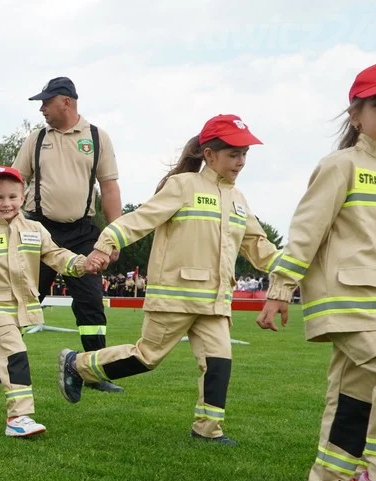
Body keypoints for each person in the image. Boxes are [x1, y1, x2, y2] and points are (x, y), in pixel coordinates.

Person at [256, 61, 376, 481]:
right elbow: (305, 230)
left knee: (354, 395)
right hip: (348, 299)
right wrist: (280, 288)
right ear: (356, 116)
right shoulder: (342, 165)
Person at [56, 114, 281, 446]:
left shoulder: (238, 200)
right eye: (233, 153)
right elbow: (140, 220)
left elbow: (258, 246)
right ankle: (78, 365)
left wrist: (292, 268)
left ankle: (207, 431)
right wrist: (107, 243)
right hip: (175, 296)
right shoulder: (182, 187)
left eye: (244, 153)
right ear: (209, 154)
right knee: (146, 357)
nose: (241, 161)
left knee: (219, 363)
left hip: (215, 302)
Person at [0, 166, 94, 437]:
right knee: (15, 354)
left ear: (23, 198)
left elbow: (56, 255)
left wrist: (82, 264)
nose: (6, 203)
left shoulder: (35, 229)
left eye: (12, 196)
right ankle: (19, 417)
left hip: (24, 307)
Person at [13, 77, 124, 393]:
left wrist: (114, 235)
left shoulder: (97, 138)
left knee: (91, 303)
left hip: (82, 234)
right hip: (39, 231)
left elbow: (110, 187)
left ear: (66, 101)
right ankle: (3, 362)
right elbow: (14, 181)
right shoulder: (35, 139)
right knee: (25, 298)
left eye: (46, 102)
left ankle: (93, 373)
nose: (42, 109)